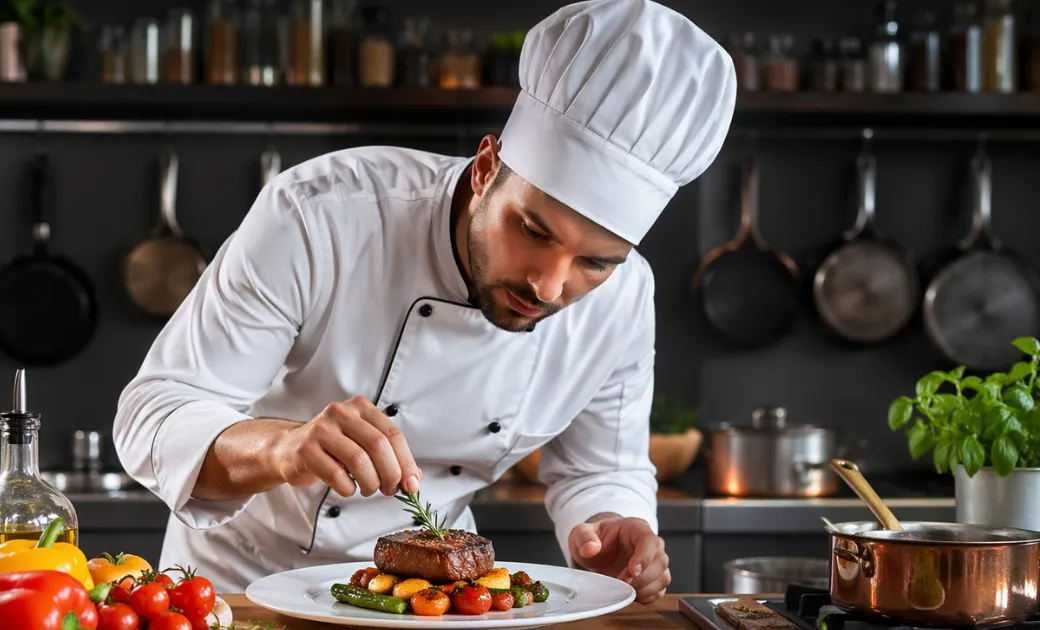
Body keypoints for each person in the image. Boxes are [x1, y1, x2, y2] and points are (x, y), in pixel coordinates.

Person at [113, 0, 736, 603]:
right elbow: (154, 414)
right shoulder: (322, 214)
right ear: (486, 168)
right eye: (533, 231)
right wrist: (283, 446)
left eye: (594, 261)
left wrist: (611, 527)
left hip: (426, 605)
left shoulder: (625, 296)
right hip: (235, 593)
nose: (548, 285)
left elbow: (601, 468)